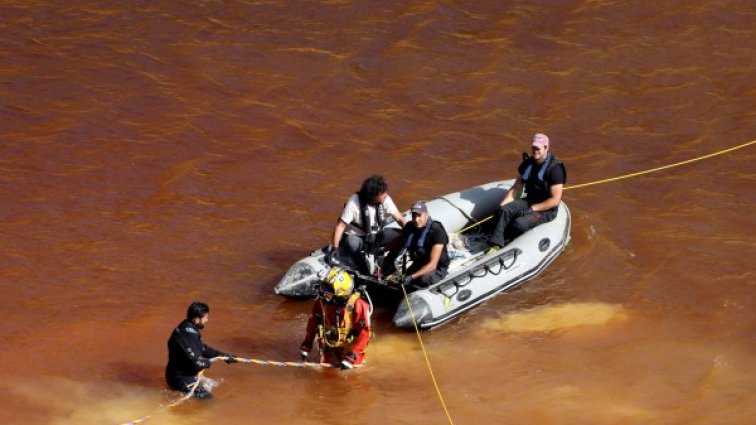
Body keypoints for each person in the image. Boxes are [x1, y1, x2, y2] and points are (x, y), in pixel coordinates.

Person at [489, 133, 567, 248]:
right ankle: (495, 244)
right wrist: (501, 207)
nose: (535, 150)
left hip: (546, 210)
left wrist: (532, 209)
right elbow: (516, 189)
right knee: (504, 211)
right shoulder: (528, 164)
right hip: (529, 200)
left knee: (519, 223)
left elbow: (555, 200)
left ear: (546, 148)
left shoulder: (555, 170)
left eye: (538, 148)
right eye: (533, 147)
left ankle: (509, 242)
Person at [328, 175, 406, 275]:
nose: (386, 195)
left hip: (378, 235)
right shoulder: (353, 203)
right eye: (383, 194)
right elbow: (340, 227)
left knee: (404, 236)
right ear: (374, 196)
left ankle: (387, 262)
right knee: (351, 243)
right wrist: (335, 249)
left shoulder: (385, 199)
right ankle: (364, 270)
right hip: (359, 237)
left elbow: (399, 218)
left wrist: (410, 230)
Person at [299, 267, 372, 369]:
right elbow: (314, 323)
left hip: (350, 349)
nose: (323, 292)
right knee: (325, 372)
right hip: (330, 344)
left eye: (327, 289)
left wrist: (352, 356)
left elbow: (365, 333)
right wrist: (306, 346)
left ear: (340, 292)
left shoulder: (358, 305)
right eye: (323, 286)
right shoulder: (321, 303)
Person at [165, 301, 237, 399]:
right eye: (205, 318)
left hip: (180, 374)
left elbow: (202, 348)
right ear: (196, 319)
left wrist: (223, 355)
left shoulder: (188, 328)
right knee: (210, 401)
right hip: (181, 380)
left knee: (213, 385)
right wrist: (209, 362)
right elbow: (196, 364)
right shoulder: (187, 335)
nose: (207, 320)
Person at [381, 201, 450, 287]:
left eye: (419, 215)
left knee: (422, 279)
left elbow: (433, 264)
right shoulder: (410, 227)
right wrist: (383, 251)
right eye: (414, 216)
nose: (416, 219)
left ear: (426, 214)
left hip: (437, 267)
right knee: (400, 282)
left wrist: (412, 277)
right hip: (419, 262)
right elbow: (399, 240)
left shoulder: (437, 231)